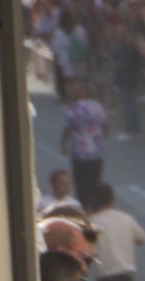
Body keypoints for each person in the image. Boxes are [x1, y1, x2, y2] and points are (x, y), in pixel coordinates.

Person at [59, 79, 108, 208]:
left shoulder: (73, 108)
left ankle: (84, 205)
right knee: (94, 180)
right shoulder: (98, 106)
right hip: (96, 151)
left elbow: (68, 128)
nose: (72, 92)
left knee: (81, 182)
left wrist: (63, 144)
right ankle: (95, 204)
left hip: (80, 151)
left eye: (74, 90)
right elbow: (105, 125)